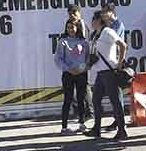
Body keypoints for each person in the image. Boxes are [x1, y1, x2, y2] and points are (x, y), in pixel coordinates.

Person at [84, 11, 129, 141]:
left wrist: (120, 63)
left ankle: (122, 130)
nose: (92, 22)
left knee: (116, 102)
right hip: (100, 73)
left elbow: (123, 45)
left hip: (110, 72)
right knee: (96, 100)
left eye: (93, 19)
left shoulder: (107, 32)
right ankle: (96, 129)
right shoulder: (95, 35)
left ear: (99, 20)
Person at [54, 19, 89, 134]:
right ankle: (64, 126)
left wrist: (82, 68)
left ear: (78, 28)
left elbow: (87, 58)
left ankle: (82, 123)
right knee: (68, 99)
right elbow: (58, 59)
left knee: (81, 99)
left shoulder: (84, 42)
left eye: (73, 27)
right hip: (68, 74)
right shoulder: (63, 41)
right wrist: (69, 69)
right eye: (68, 27)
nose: (71, 30)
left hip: (81, 74)